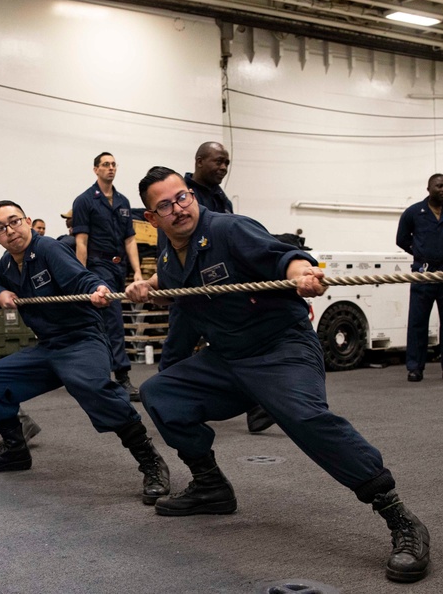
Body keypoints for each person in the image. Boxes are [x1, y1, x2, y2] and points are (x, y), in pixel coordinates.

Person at [128, 166, 429, 584]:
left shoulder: (229, 229)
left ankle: (399, 518)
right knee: (160, 392)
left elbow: (282, 256)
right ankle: (210, 486)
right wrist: (147, 286)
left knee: (305, 419)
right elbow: (181, 296)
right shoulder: (165, 253)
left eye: (183, 197)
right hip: (228, 360)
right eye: (165, 205)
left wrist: (303, 274)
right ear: (151, 218)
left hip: (280, 349)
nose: (179, 209)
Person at [0, 201, 169, 506]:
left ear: (28, 221)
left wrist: (99, 289)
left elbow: (82, 279)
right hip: (48, 346)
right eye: (1, 228)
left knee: (91, 387)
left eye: (14, 222)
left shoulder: (47, 248)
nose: (10, 231)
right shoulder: (7, 265)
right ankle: (15, 450)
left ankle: (151, 461)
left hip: (81, 341)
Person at [160, 142, 275, 435]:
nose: (223, 168)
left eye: (226, 163)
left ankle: (258, 408)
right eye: (218, 162)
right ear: (199, 161)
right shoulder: (180, 196)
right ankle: (164, 401)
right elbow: (171, 240)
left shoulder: (222, 199)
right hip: (189, 289)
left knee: (235, 346)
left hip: (221, 289)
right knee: (178, 347)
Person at [71, 152, 142, 399]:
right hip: (97, 266)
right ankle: (121, 376)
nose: (110, 168)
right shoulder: (84, 201)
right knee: (113, 320)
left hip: (118, 266)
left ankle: (96, 374)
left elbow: (130, 239)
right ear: (95, 170)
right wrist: (80, 276)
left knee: (104, 322)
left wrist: (138, 272)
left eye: (113, 164)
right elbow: (81, 241)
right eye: (105, 164)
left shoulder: (123, 201)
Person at [396, 173, 443, 382]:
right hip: (423, 274)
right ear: (428, 189)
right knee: (417, 323)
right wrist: (419, 251)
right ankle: (415, 368)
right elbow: (402, 239)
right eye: (439, 186)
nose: (442, 189)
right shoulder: (414, 212)